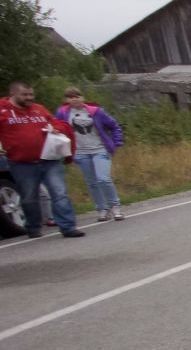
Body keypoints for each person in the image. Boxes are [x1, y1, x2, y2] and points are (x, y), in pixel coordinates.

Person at [1, 81, 84, 238]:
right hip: (22, 163)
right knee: (29, 198)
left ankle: (68, 226)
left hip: (49, 159)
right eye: (24, 95)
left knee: (59, 192)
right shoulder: (3, 111)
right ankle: (33, 226)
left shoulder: (39, 109)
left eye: (31, 94)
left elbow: (56, 123)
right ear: (13, 95)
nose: (29, 98)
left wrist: (56, 129)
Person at [57, 88, 125, 222]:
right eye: (71, 97)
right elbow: (58, 128)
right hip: (80, 152)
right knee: (91, 182)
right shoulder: (63, 113)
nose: (75, 99)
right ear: (66, 100)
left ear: (82, 97)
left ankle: (115, 205)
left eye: (77, 96)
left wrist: (116, 142)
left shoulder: (95, 111)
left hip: (99, 149)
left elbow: (113, 125)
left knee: (103, 178)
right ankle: (102, 209)